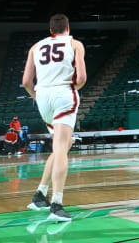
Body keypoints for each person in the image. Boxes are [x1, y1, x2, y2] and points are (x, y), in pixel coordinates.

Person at [22, 14, 86, 221]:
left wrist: (37, 96)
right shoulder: (75, 43)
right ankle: (57, 204)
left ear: (51, 30)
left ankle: (40, 194)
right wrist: (68, 90)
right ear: (67, 27)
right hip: (63, 94)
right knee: (60, 149)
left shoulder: (35, 47)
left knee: (61, 146)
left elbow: (26, 82)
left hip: (42, 97)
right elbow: (82, 78)